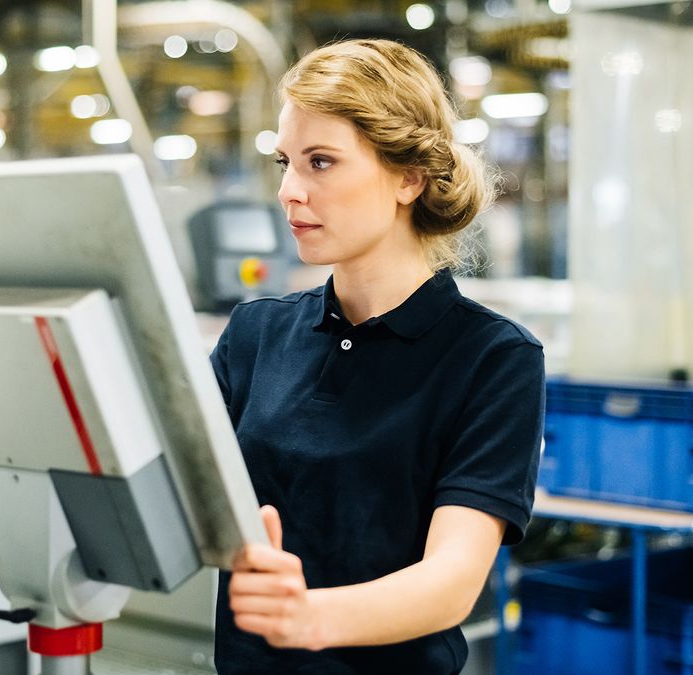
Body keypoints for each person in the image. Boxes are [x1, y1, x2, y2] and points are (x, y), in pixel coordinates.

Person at [210, 38, 544, 675]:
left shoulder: (492, 361)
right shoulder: (256, 336)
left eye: (321, 162)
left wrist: (308, 616)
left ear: (408, 177)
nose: (288, 190)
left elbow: (451, 581)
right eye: (285, 160)